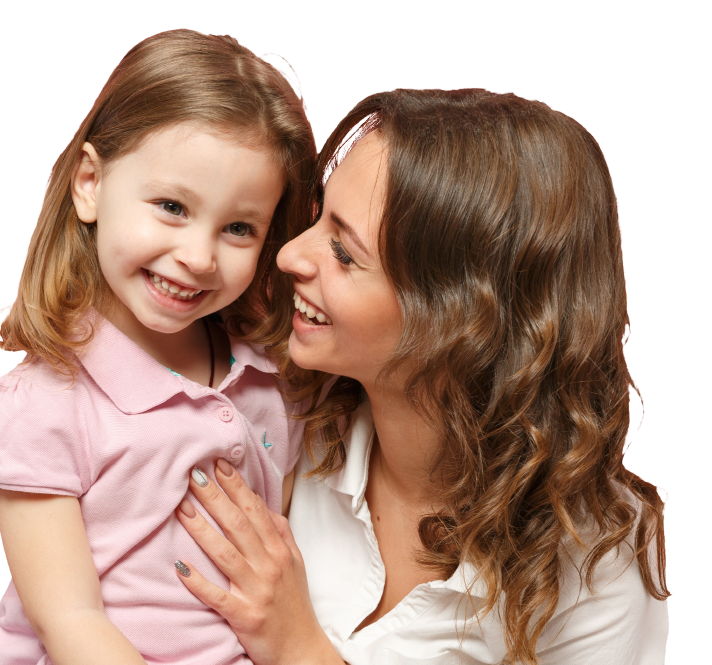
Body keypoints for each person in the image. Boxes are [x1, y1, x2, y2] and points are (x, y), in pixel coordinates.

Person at [172, 89, 670, 665]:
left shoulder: (599, 564)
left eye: (343, 251)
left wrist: (298, 649)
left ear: (458, 319)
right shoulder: (272, 417)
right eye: (317, 217)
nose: (288, 257)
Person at [0, 30, 315, 665]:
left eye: (239, 228)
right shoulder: (45, 402)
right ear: (91, 184)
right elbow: (69, 622)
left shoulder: (270, 380)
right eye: (172, 207)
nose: (199, 257)